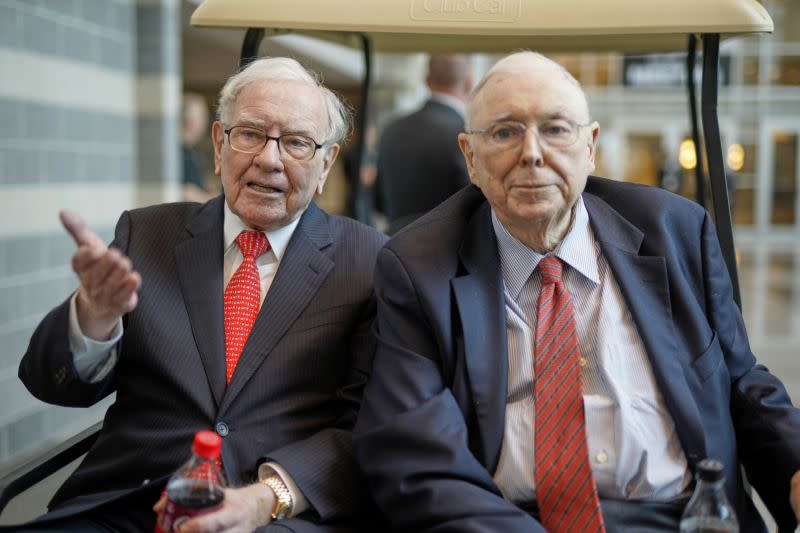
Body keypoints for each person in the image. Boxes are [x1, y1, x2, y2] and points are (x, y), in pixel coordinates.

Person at [354, 51, 800, 532]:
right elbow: (416, 458)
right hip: (511, 523)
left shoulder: (676, 232)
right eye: (505, 132)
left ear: (590, 146)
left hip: (679, 517)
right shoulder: (418, 267)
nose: (531, 152)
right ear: (470, 157)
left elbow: (741, 383)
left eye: (555, 129)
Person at [16, 57, 387, 532]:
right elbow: (51, 384)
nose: (269, 159)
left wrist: (268, 496)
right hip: (128, 505)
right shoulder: (147, 234)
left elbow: (369, 426)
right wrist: (94, 315)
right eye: (250, 134)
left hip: (270, 515)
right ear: (218, 144)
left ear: (326, 163)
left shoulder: (370, 261)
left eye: (296, 142)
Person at [375, 54, 473, 234]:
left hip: (394, 245)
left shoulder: (391, 130)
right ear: (469, 82)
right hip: (449, 250)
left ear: (427, 80)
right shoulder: (467, 134)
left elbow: (377, 200)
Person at [181, 92, 215, 203]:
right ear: (190, 121)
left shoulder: (190, 152)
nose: (205, 123)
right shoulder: (180, 153)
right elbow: (186, 192)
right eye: (203, 116)